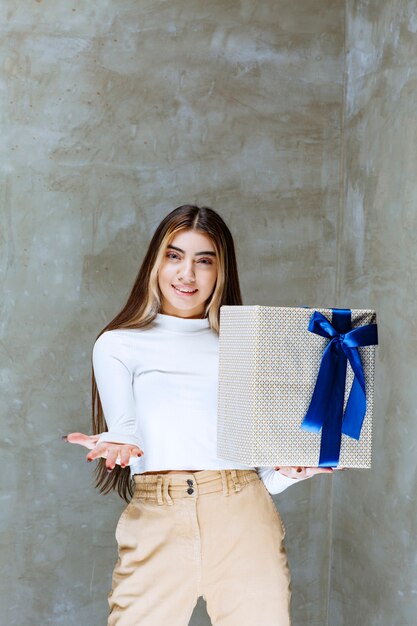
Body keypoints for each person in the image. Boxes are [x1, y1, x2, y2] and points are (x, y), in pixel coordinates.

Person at [66, 205, 333, 626]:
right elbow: (126, 429)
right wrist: (118, 442)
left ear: (221, 272)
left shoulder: (246, 344)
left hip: (245, 519)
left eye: (203, 260)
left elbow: (261, 475)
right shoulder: (117, 345)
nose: (186, 274)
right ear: (156, 263)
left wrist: (291, 470)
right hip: (158, 520)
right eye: (174, 256)